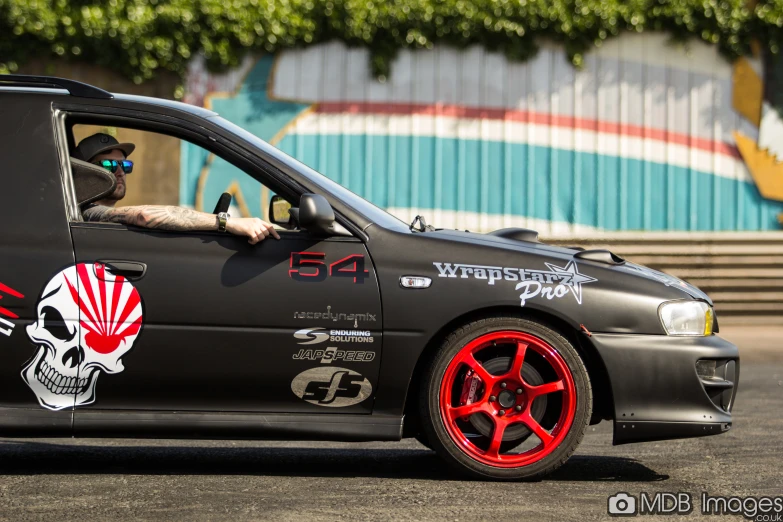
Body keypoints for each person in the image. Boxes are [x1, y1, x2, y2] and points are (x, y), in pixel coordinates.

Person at [74, 133, 280, 244]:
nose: (120, 172)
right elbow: (144, 216)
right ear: (86, 171)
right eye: (109, 165)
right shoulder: (89, 213)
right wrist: (226, 222)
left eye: (125, 165)